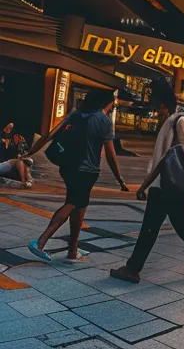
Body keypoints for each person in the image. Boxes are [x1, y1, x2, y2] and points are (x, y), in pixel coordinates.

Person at [110, 79, 184, 284]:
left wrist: (145, 185)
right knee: (179, 224)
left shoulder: (180, 121)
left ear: (162, 102)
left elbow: (181, 154)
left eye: (154, 100)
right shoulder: (169, 121)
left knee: (151, 227)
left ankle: (133, 269)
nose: (152, 104)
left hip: (167, 185)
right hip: (162, 184)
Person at [29, 89, 129, 262]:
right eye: (113, 103)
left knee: (79, 206)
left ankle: (72, 250)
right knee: (73, 203)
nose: (113, 106)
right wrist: (120, 179)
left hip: (67, 167)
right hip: (87, 171)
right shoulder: (103, 121)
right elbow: (111, 154)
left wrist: (32, 151)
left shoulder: (77, 115)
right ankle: (41, 241)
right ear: (107, 102)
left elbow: (51, 134)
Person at [0, 122, 33, 188]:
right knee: (18, 161)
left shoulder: (14, 139)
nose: (8, 129)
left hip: (8, 163)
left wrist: (22, 156)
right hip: (2, 163)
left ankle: (28, 180)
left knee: (23, 161)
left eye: (11, 128)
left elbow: (22, 150)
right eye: (7, 127)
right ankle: (23, 181)